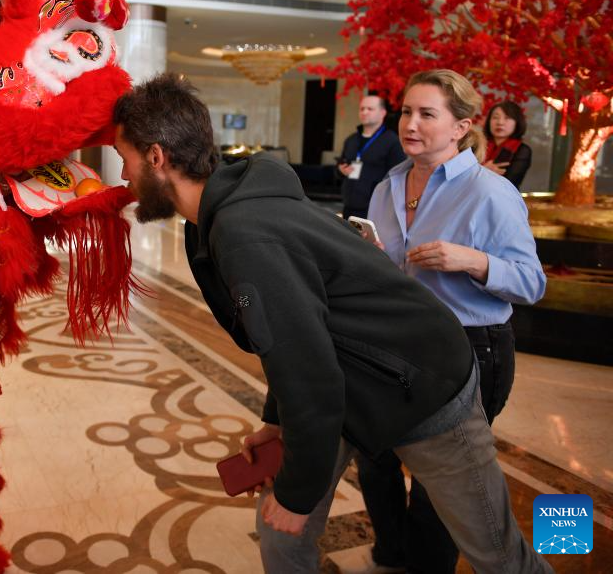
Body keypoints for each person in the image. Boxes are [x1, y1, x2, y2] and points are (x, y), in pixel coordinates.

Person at [111, 73, 552, 574]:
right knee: (280, 529)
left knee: (497, 553)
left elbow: (307, 369)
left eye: (124, 157)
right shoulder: (216, 218)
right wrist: (276, 421)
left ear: (156, 157)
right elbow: (289, 334)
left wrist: (298, 495)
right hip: (350, 379)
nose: (122, 174)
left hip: (425, 385)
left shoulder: (244, 232)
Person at [360, 70, 546, 573]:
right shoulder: (388, 185)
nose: (410, 124)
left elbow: (531, 282)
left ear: (461, 127)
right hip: (398, 343)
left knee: (438, 486)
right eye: (406, 112)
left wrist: (473, 261)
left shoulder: (491, 192)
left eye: (427, 114)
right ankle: (392, 554)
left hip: (470, 348)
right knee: (374, 458)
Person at [338, 95, 406, 219]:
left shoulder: (392, 141)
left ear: (383, 113)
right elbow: (340, 166)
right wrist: (341, 170)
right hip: (349, 205)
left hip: (376, 208)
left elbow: (398, 176)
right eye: (362, 109)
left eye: (370, 109)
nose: (364, 112)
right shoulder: (351, 140)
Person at [482, 100, 532, 189]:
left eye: (507, 118)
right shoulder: (477, 145)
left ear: (517, 122)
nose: (500, 122)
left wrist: (482, 172)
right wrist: (483, 170)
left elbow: (509, 184)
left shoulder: (522, 150)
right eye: (495, 117)